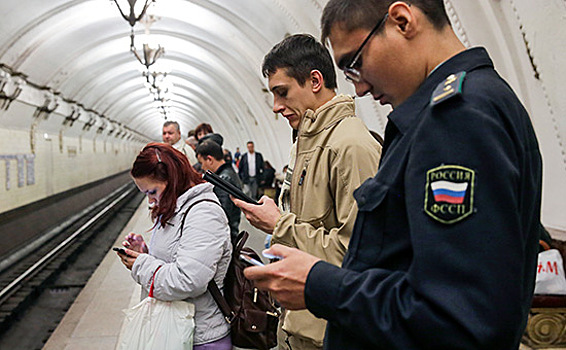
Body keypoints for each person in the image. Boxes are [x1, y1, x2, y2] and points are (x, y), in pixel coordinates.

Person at [243, 1, 543, 349]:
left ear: (402, 21)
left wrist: (319, 284)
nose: (358, 88)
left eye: (354, 64)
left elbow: (457, 316)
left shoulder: (458, 120)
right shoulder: (463, 107)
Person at [233, 33, 381, 350]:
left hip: (330, 332)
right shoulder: (306, 141)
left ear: (314, 80)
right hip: (301, 324)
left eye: (282, 92)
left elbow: (359, 255)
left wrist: (280, 225)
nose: (275, 107)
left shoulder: (351, 147)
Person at [117, 143, 233, 349]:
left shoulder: (204, 214)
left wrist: (141, 265)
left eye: (152, 191)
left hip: (201, 336)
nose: (151, 201)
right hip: (178, 330)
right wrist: (145, 253)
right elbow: (175, 257)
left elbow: (188, 280)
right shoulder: (175, 208)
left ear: (173, 180)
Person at [196, 140, 242, 242]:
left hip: (225, 237)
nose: (202, 167)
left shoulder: (224, 180)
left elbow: (221, 214)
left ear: (209, 160)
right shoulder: (227, 174)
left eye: (201, 163)